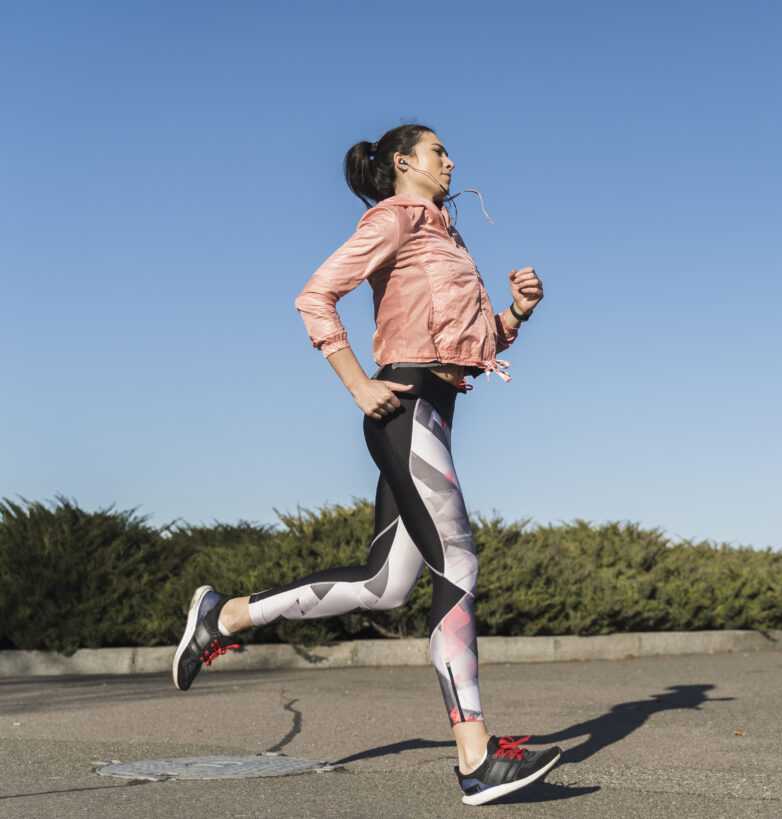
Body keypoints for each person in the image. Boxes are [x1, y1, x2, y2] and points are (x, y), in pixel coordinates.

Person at [172, 124, 561, 805]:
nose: (451, 161)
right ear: (404, 163)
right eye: (439, 151)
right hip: (403, 410)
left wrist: (518, 314)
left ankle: (224, 616)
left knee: (384, 585)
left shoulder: (447, 234)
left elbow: (470, 342)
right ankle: (475, 755)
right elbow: (315, 295)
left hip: (434, 411)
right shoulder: (394, 218)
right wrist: (356, 381)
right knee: (460, 565)